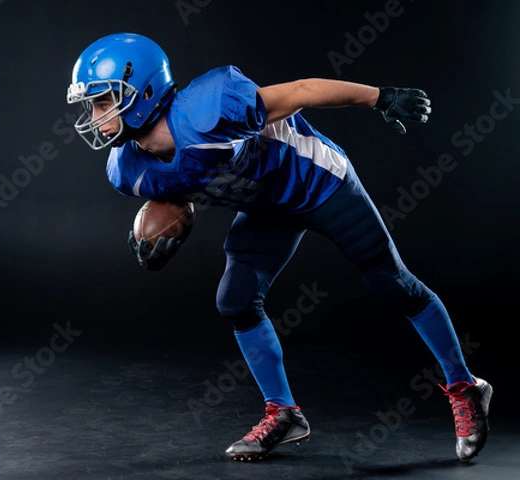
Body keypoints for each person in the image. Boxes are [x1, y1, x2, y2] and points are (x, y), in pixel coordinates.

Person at [66, 32, 493, 463]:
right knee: (235, 301)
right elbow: (187, 176)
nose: (95, 116)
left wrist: (380, 98)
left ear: (142, 92)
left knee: (392, 283)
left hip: (318, 182)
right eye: (92, 105)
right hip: (266, 205)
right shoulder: (128, 170)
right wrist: (178, 213)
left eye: (103, 102)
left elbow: (301, 91)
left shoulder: (207, 110)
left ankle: (465, 387)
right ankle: (284, 413)